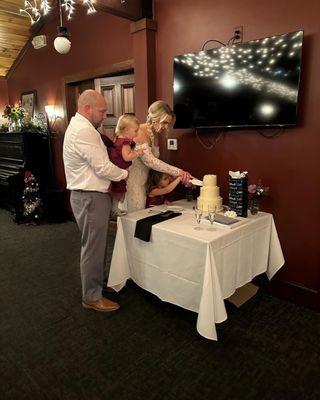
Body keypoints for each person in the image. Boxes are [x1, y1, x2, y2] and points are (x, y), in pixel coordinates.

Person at [63, 89, 128, 312]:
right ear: (87, 108)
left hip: (90, 196)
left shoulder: (83, 128)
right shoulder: (83, 131)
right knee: (92, 248)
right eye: (102, 111)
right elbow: (103, 167)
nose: (105, 115)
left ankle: (97, 285)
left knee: (97, 246)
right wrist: (125, 174)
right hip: (89, 197)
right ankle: (91, 296)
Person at [125, 100, 192, 212]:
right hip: (134, 184)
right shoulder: (139, 132)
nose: (166, 127)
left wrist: (172, 177)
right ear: (154, 118)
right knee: (135, 218)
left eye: (168, 123)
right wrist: (179, 172)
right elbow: (151, 162)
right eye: (164, 122)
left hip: (146, 184)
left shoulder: (154, 136)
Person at [107, 114, 144, 215]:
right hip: (121, 169)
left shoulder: (117, 139)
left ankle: (114, 209)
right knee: (119, 190)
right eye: (135, 131)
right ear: (127, 130)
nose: (136, 134)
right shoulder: (125, 142)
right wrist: (137, 153)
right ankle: (115, 210)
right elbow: (126, 157)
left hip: (116, 168)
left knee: (115, 189)